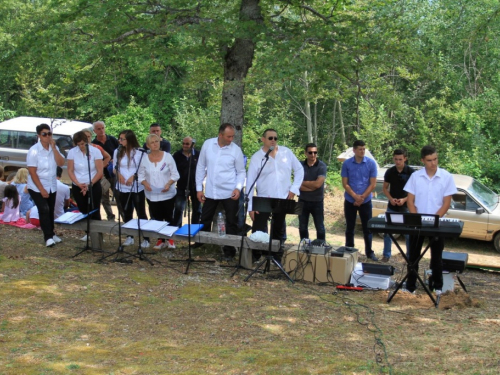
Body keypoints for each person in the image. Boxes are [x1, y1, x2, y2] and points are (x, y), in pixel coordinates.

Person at [404, 145, 457, 295]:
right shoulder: (415, 177)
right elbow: (410, 201)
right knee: (413, 256)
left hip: (437, 223)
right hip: (417, 222)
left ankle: (437, 286)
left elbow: (446, 203)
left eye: (435, 159)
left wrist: (434, 219)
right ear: (422, 160)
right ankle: (410, 286)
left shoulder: (446, 176)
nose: (433, 163)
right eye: (429, 160)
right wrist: (416, 219)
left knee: (436, 257)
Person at [247, 129, 304, 263]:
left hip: (282, 198)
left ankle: (276, 257)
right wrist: (250, 206)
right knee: (259, 229)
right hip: (263, 199)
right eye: (270, 138)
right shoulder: (257, 157)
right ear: (263, 139)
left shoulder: (286, 153)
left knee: (278, 229)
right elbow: (250, 182)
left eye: (275, 138)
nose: (273, 140)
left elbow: (299, 169)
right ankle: (256, 255)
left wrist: (294, 188)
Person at [195, 123, 246, 260]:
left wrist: (238, 188)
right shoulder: (208, 144)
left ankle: (229, 250)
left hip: (230, 191)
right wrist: (199, 189)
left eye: (232, 136)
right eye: (228, 136)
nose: (231, 139)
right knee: (204, 218)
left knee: (231, 221)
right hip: (211, 190)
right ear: (220, 135)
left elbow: (241, 172)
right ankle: (201, 243)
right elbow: (200, 167)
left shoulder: (236, 150)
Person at [26, 124, 66, 247]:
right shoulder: (34, 150)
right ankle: (47, 237)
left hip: (51, 185)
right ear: (39, 136)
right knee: (43, 209)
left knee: (50, 210)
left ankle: (52, 233)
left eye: (49, 134)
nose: (47, 136)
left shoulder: (54, 148)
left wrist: (54, 148)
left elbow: (61, 162)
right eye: (44, 134)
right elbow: (32, 172)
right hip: (36, 185)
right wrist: (41, 189)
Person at [139, 134, 180, 250]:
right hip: (152, 194)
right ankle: (160, 240)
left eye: (157, 141)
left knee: (168, 216)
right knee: (156, 217)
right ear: (148, 145)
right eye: (152, 142)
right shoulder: (144, 159)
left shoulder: (167, 157)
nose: (155, 144)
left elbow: (175, 174)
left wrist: (168, 184)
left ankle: (170, 239)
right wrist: (146, 184)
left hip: (167, 193)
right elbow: (140, 176)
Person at [341, 140, 378, 261]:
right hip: (350, 200)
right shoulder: (347, 164)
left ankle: (369, 252)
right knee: (350, 227)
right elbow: (345, 183)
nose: (362, 151)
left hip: (365, 201)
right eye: (360, 149)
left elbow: (372, 184)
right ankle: (349, 249)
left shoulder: (371, 164)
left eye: (364, 149)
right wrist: (354, 196)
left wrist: (361, 197)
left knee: (367, 228)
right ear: (354, 150)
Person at [114, 130, 150, 248]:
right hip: (122, 187)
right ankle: (130, 236)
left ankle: (146, 238)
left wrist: (133, 176)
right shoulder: (117, 151)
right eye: (119, 139)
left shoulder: (140, 153)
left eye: (122, 139)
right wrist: (119, 175)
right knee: (126, 212)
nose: (120, 141)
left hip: (136, 187)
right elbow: (115, 167)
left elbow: (144, 169)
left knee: (141, 212)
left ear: (129, 140)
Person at [381, 149, 415, 262]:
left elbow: (416, 191)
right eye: (396, 159)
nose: (398, 161)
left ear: (405, 159)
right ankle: (386, 255)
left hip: (406, 206)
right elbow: (384, 188)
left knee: (408, 234)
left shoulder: (411, 172)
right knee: (388, 232)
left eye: (400, 159)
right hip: (392, 206)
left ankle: (410, 256)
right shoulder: (390, 172)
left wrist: (405, 199)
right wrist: (390, 199)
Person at [67, 131, 103, 222]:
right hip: (78, 185)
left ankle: (96, 234)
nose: (81, 147)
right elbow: (70, 170)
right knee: (83, 209)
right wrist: (78, 184)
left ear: (86, 141)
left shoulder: (95, 151)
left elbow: (99, 171)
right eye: (78, 145)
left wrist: (89, 184)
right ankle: (87, 233)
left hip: (93, 184)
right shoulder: (72, 152)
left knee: (94, 209)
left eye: (82, 144)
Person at [298, 143, 327, 241]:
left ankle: (321, 247)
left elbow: (318, 185)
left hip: (317, 202)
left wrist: (303, 184)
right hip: (302, 201)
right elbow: (297, 185)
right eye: (310, 152)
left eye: (315, 152)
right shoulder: (300, 165)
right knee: (302, 227)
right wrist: (312, 186)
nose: (313, 155)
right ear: (305, 153)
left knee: (320, 228)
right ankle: (304, 247)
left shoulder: (322, 166)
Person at [91, 121, 118, 221]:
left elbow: (120, 152)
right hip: (102, 175)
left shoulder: (112, 140)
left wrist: (114, 160)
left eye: (102, 128)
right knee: (104, 198)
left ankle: (124, 217)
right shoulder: (94, 144)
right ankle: (110, 218)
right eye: (98, 129)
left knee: (119, 196)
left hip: (114, 173)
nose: (101, 130)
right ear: (94, 131)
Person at [172, 137, 201, 228]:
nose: (185, 145)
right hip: (181, 185)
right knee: (178, 208)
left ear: (192, 144)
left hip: (196, 186)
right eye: (183, 143)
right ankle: (176, 228)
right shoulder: (177, 155)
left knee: (197, 209)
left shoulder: (197, 154)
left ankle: (194, 228)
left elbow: (203, 168)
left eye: (187, 144)